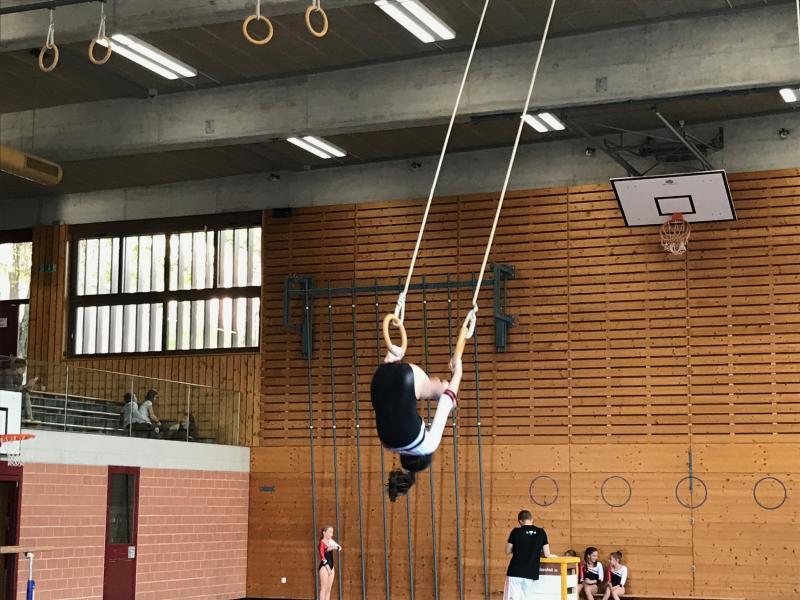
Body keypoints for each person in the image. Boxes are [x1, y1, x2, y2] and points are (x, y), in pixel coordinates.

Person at [370, 344, 462, 501]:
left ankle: (442, 387)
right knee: (394, 399)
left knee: (443, 392)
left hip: (408, 379)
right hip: (379, 378)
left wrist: (458, 373)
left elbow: (446, 402)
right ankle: (392, 357)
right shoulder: (387, 445)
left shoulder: (428, 447)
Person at [504, 509, 552, 600]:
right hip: (531, 573)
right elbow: (547, 554)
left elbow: (507, 551)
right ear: (532, 519)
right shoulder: (541, 532)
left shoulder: (515, 531)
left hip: (515, 572)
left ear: (520, 521)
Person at [317, 525, 341, 600]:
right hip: (324, 567)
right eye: (330, 532)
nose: (332, 534)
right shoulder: (321, 543)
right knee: (323, 588)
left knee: (328, 589)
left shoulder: (330, 541)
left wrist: (334, 547)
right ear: (324, 533)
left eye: (332, 532)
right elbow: (322, 556)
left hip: (331, 566)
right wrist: (327, 567)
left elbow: (339, 547)